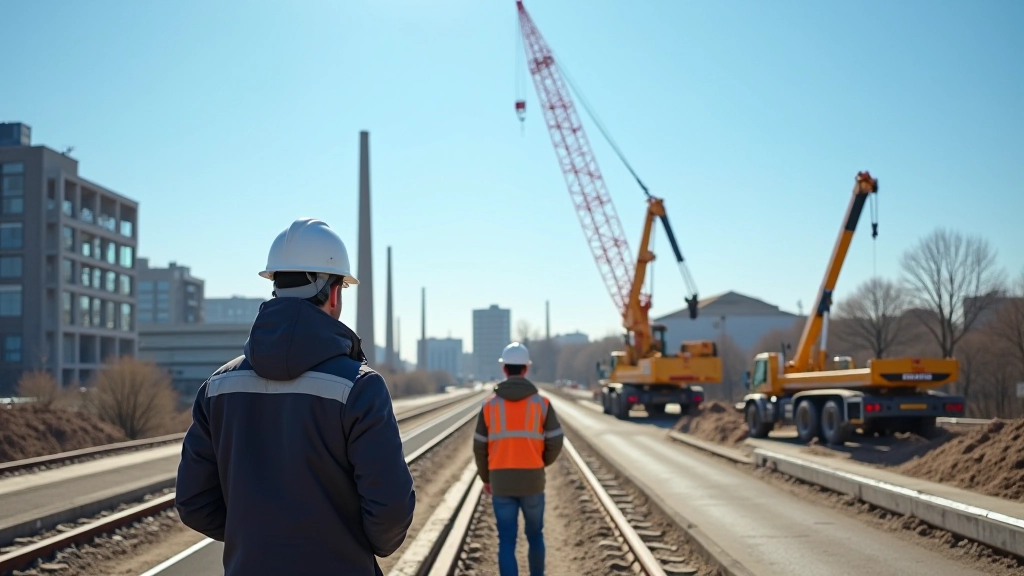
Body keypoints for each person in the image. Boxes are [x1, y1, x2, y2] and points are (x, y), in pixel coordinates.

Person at [175, 218, 415, 576]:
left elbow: (193, 502)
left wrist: (261, 540)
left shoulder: (217, 388)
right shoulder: (360, 388)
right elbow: (390, 511)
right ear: (335, 293)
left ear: (275, 288)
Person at [473, 342, 564, 576]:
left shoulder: (489, 405)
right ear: (526, 369)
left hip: (501, 482)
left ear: (505, 369)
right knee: (535, 536)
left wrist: (486, 477)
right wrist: (539, 462)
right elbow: (555, 440)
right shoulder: (542, 403)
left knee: (506, 541)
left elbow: (479, 447)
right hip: (532, 480)